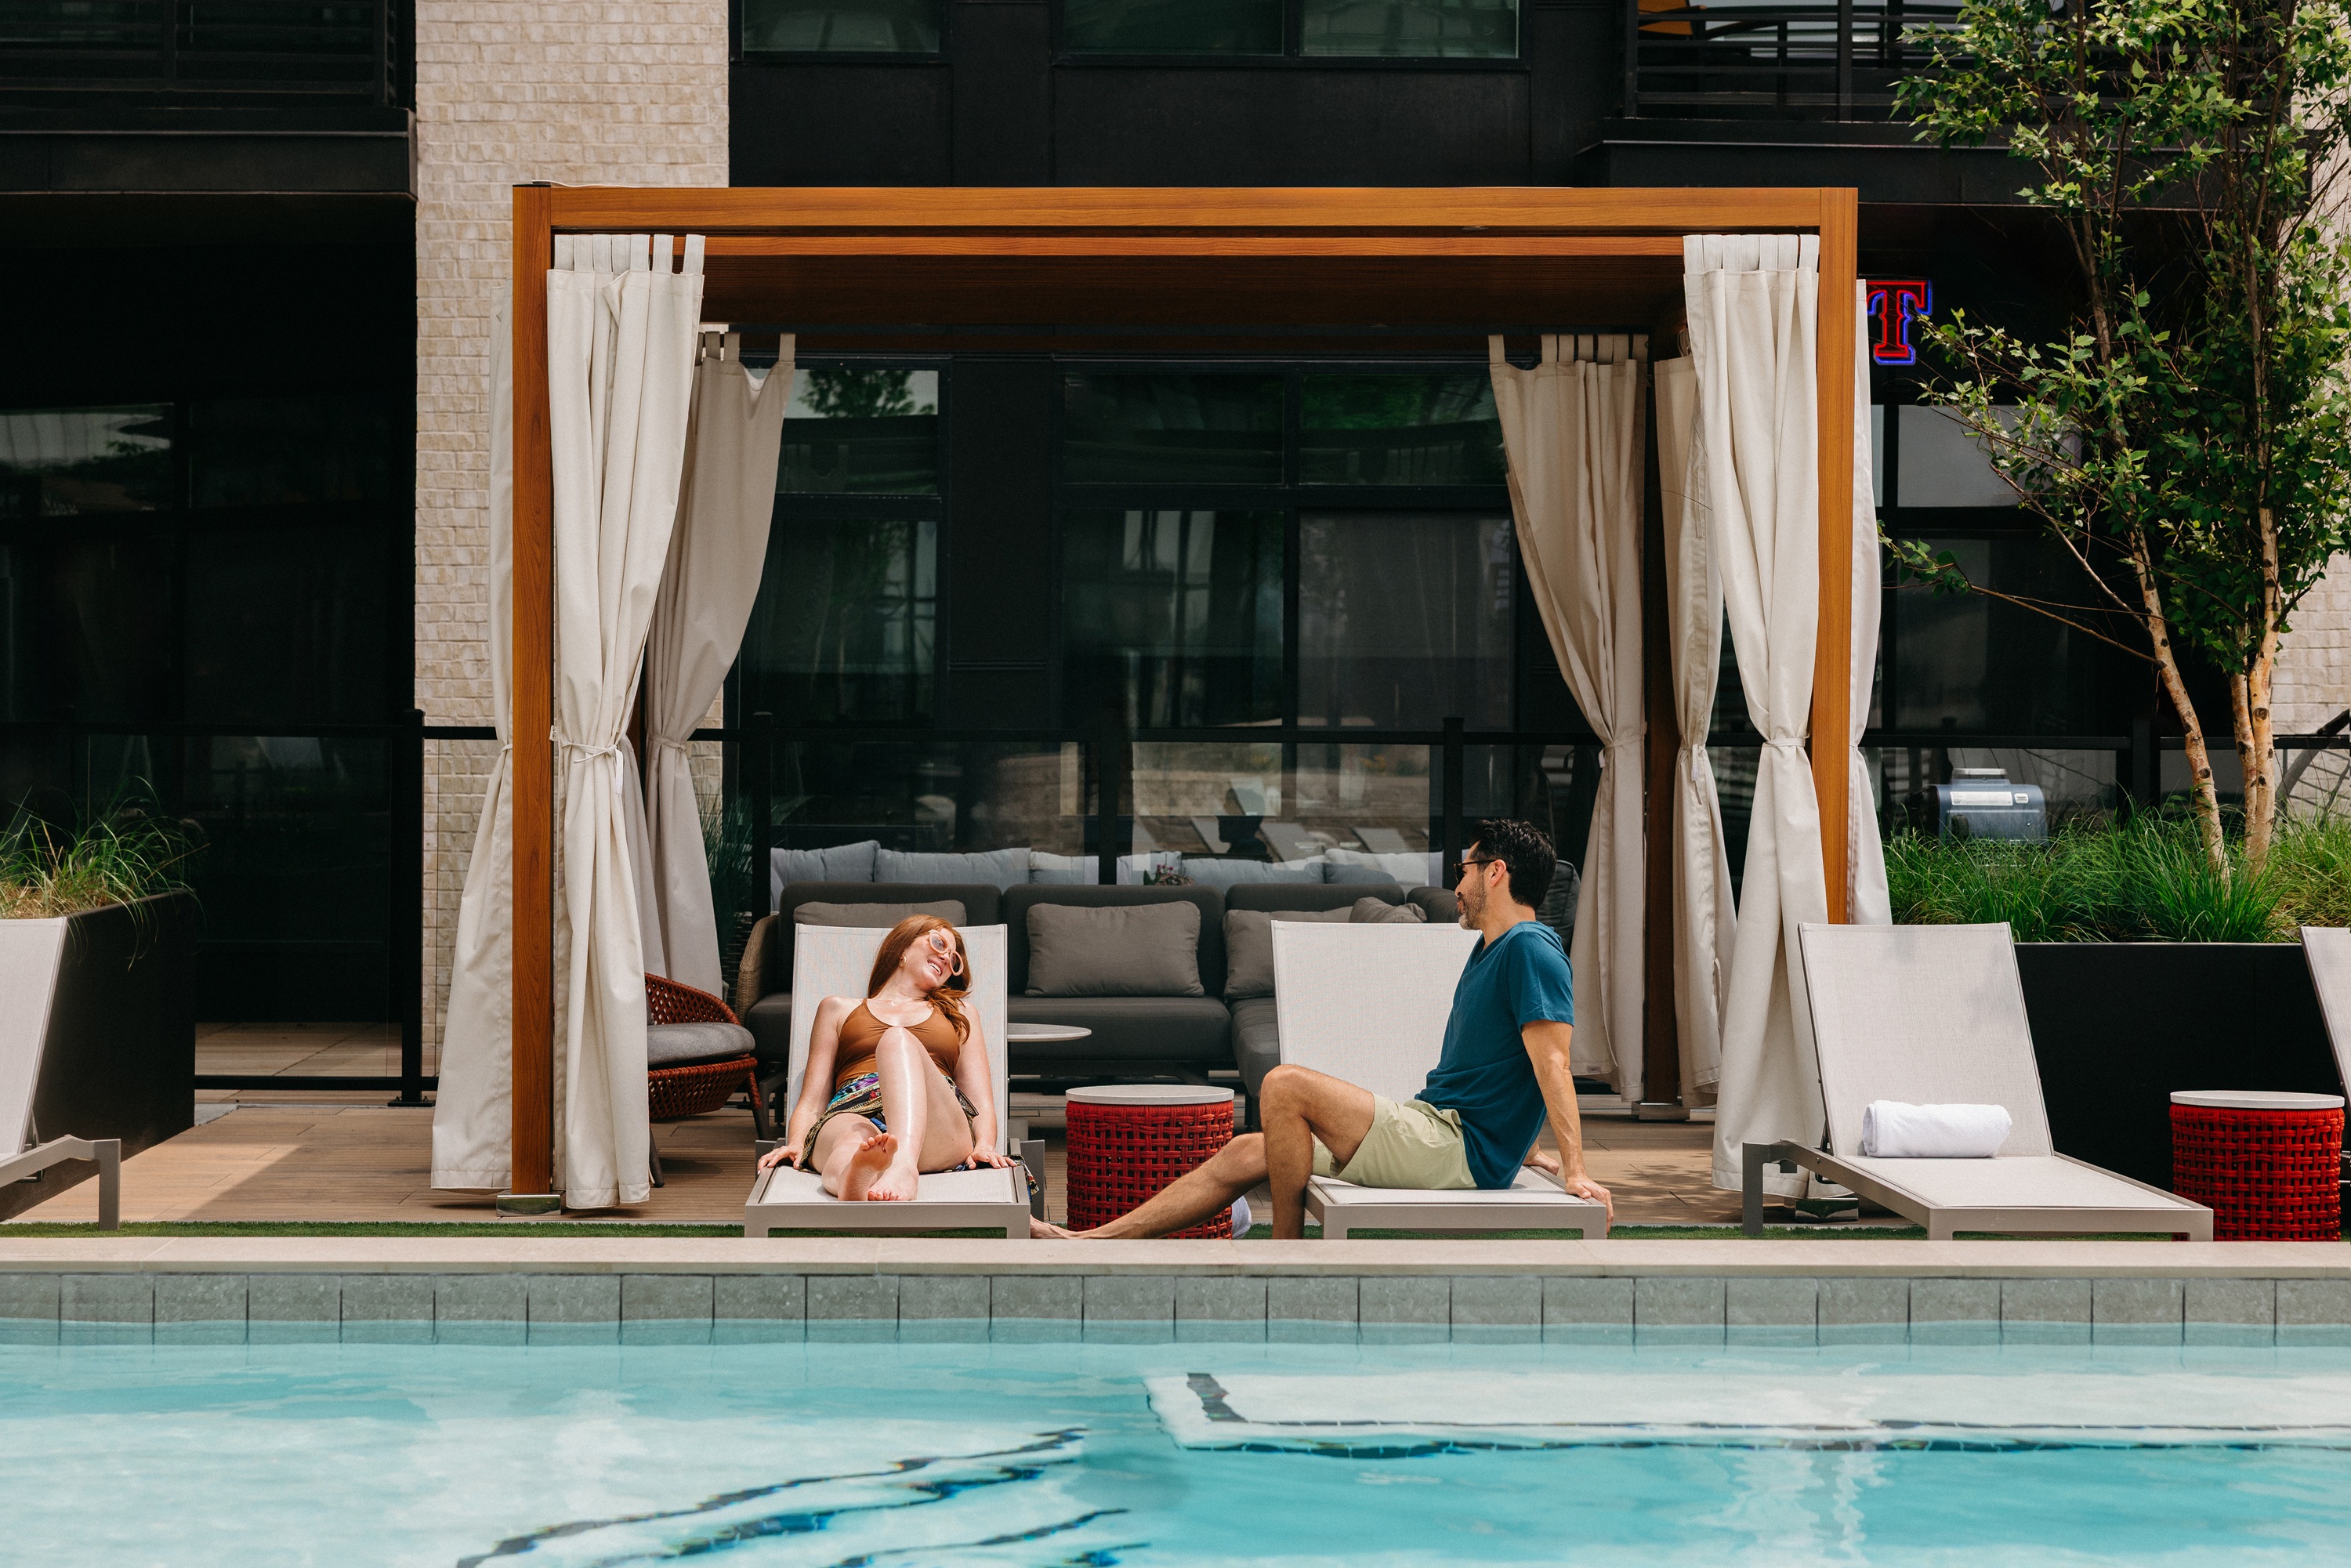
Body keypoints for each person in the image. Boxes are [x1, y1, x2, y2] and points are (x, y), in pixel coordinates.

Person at [1032, 818, 1611, 1240]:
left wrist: (1576, 1169)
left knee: (1284, 1085)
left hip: (1450, 1145)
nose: (1457, 885)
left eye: (1464, 869)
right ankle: (1089, 1240)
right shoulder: (1495, 950)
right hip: (1443, 1132)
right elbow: (1508, 1067)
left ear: (1496, 872)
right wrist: (1525, 1147)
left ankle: (1287, 1257)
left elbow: (1552, 1063)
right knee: (1245, 1151)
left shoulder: (1530, 948)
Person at [757, 914, 1019, 1201]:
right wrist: (795, 1142)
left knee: (897, 1039)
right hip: (853, 1110)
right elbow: (811, 1101)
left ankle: (903, 1166)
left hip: (936, 1125)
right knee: (851, 1143)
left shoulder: (960, 1014)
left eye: (955, 959)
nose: (946, 958)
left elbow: (979, 1099)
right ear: (902, 948)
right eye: (939, 943)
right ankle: (852, 1179)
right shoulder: (837, 1009)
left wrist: (985, 1144)